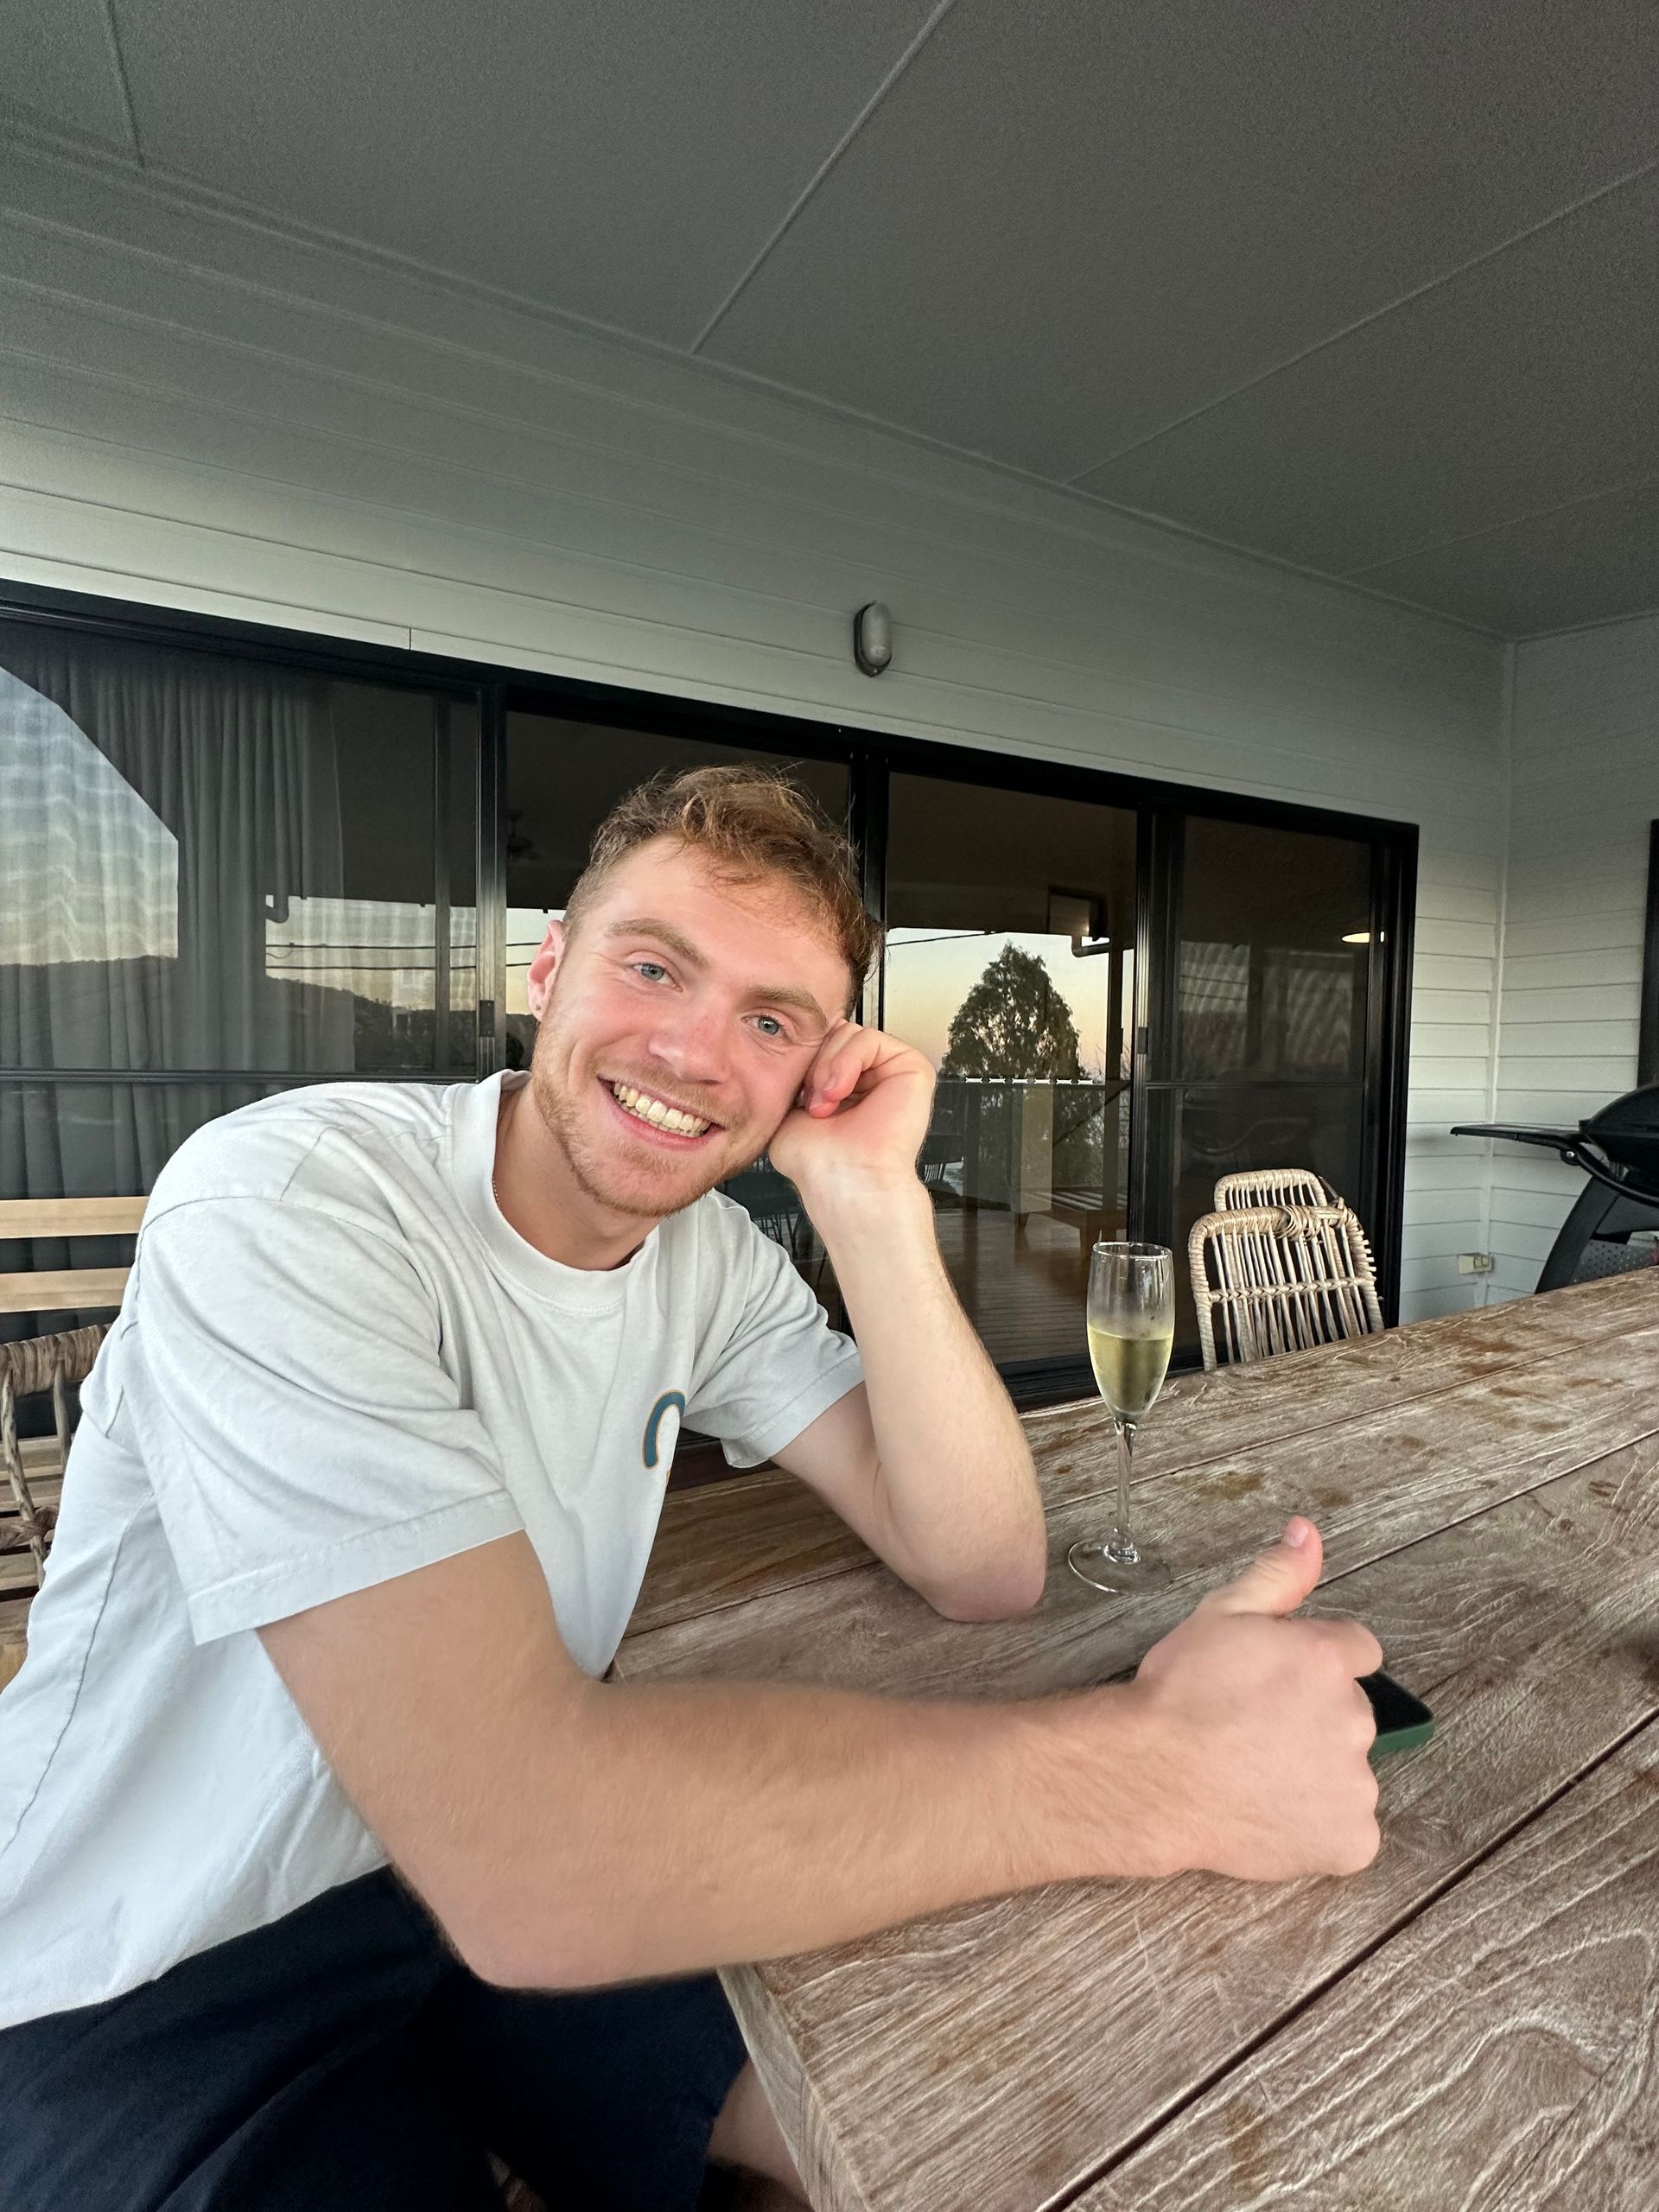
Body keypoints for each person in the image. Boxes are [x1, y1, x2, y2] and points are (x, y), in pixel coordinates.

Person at [0, 766, 1382, 2212]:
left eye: (770, 1020)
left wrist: (872, 1201)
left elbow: (982, 1563)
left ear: (810, 1071)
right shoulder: (295, 1202)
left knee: (920, 2134)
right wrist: (1157, 1770)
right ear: (547, 968)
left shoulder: (709, 1262)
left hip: (454, 1909)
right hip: (145, 1968)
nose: (694, 1050)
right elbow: (529, 1850)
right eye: (654, 966)